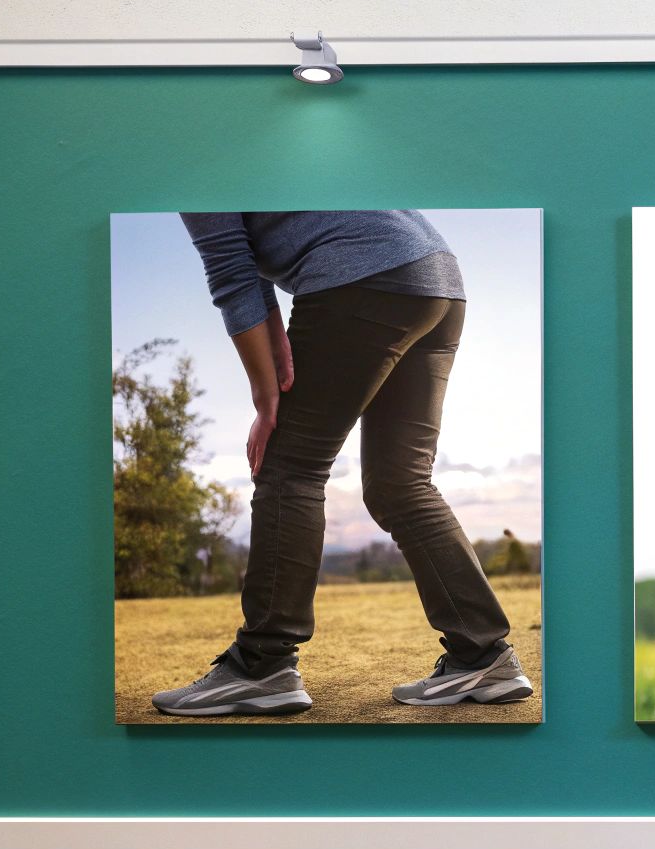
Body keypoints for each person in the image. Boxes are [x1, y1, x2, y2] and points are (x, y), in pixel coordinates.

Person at [151, 211, 534, 715]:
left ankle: (262, 665)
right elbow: (254, 282)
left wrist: (266, 400)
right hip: (437, 277)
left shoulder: (192, 156)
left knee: (290, 466)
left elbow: (230, 271)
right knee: (401, 483)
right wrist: (277, 375)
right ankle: (484, 655)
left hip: (361, 274)